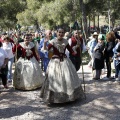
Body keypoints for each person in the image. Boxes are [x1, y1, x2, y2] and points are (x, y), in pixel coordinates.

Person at [40, 28, 84, 104]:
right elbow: (46, 50)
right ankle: (54, 97)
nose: (61, 34)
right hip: (55, 62)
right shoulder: (52, 41)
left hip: (64, 61)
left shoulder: (66, 41)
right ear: (56, 33)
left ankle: (69, 96)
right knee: (54, 79)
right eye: (59, 32)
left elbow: (71, 51)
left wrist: (78, 46)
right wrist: (44, 43)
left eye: (62, 32)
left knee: (67, 77)